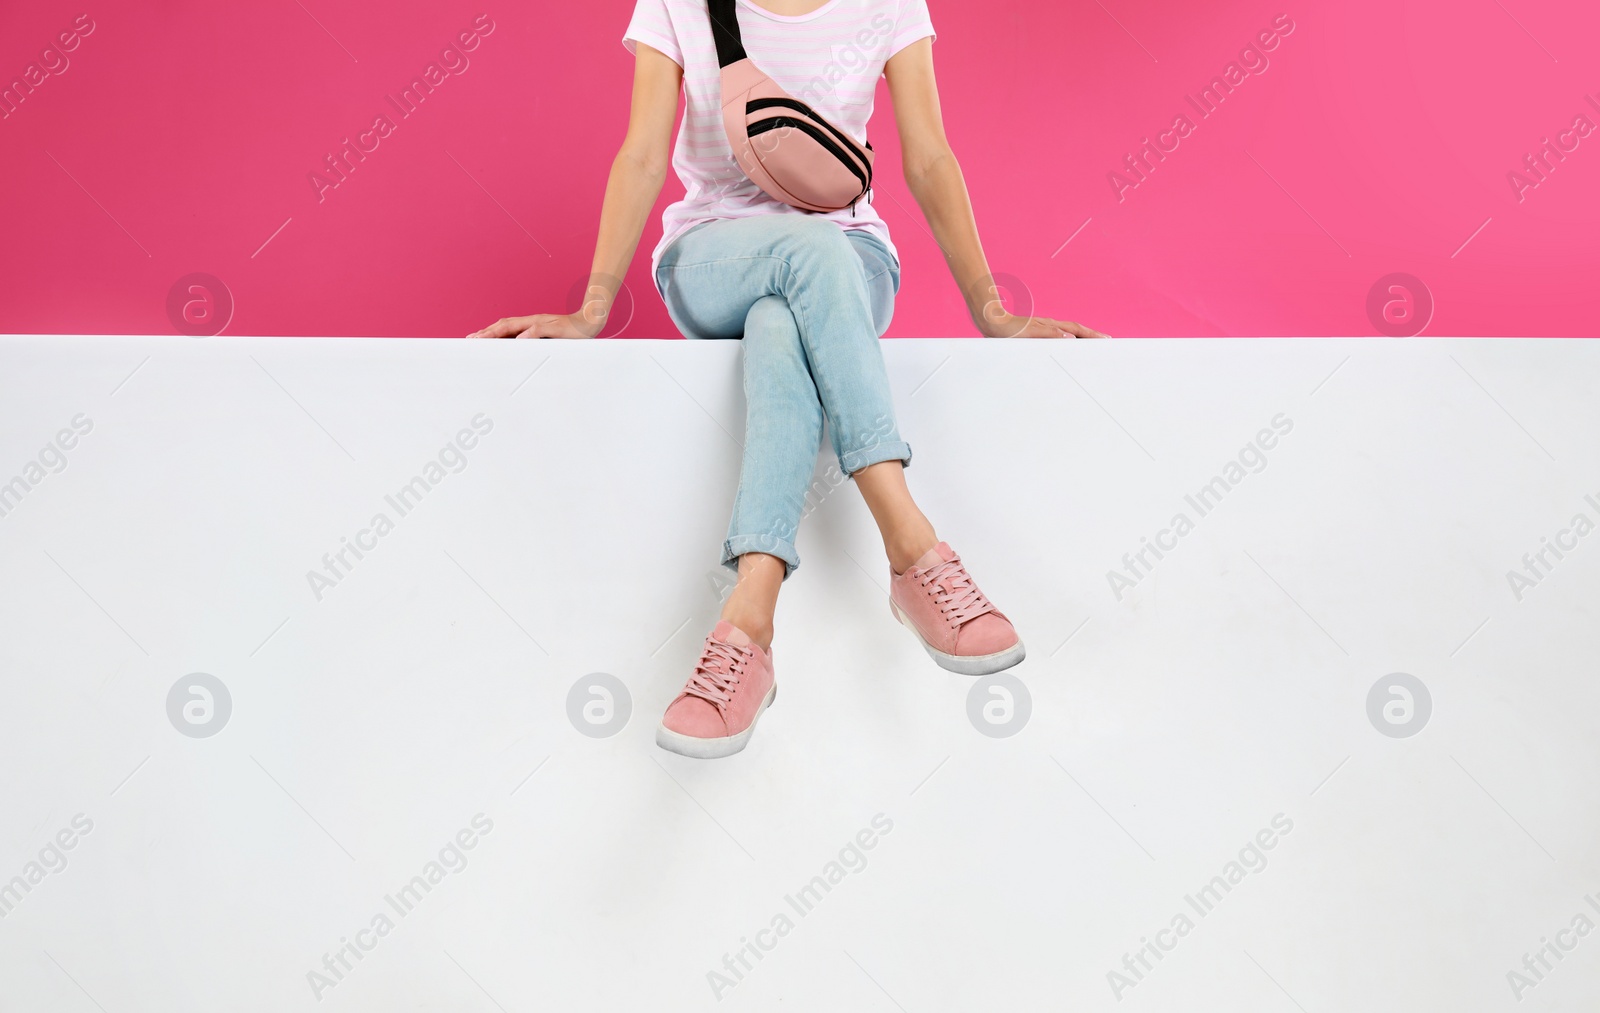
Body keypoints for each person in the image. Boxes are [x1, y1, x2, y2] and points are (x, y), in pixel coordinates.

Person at [469, 0, 1108, 758]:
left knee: (782, 321)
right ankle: (911, 544)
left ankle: (750, 618)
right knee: (807, 253)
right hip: (713, 258)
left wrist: (992, 310)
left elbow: (929, 155)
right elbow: (643, 153)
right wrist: (592, 309)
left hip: (851, 263)